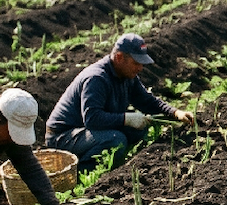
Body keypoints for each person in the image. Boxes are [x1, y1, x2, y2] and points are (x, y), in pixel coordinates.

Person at [47, 33, 196, 172]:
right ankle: (81, 172)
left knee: (137, 130)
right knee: (115, 140)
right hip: (63, 137)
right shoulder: (96, 79)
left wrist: (175, 113)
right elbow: (92, 119)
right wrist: (126, 119)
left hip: (86, 132)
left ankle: (110, 161)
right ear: (119, 57)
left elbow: (146, 100)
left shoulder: (127, 75)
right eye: (136, 63)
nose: (141, 68)